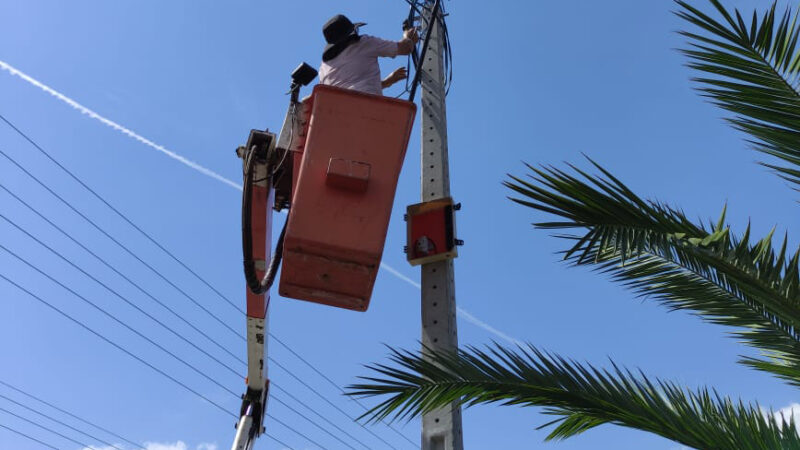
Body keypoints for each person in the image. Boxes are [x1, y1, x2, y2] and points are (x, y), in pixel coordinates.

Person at [318, 14, 419, 96]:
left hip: (336, 116)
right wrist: (408, 37)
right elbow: (404, 48)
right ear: (351, 33)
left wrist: (387, 82)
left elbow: (348, 90)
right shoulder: (363, 43)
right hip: (368, 109)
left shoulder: (324, 67)